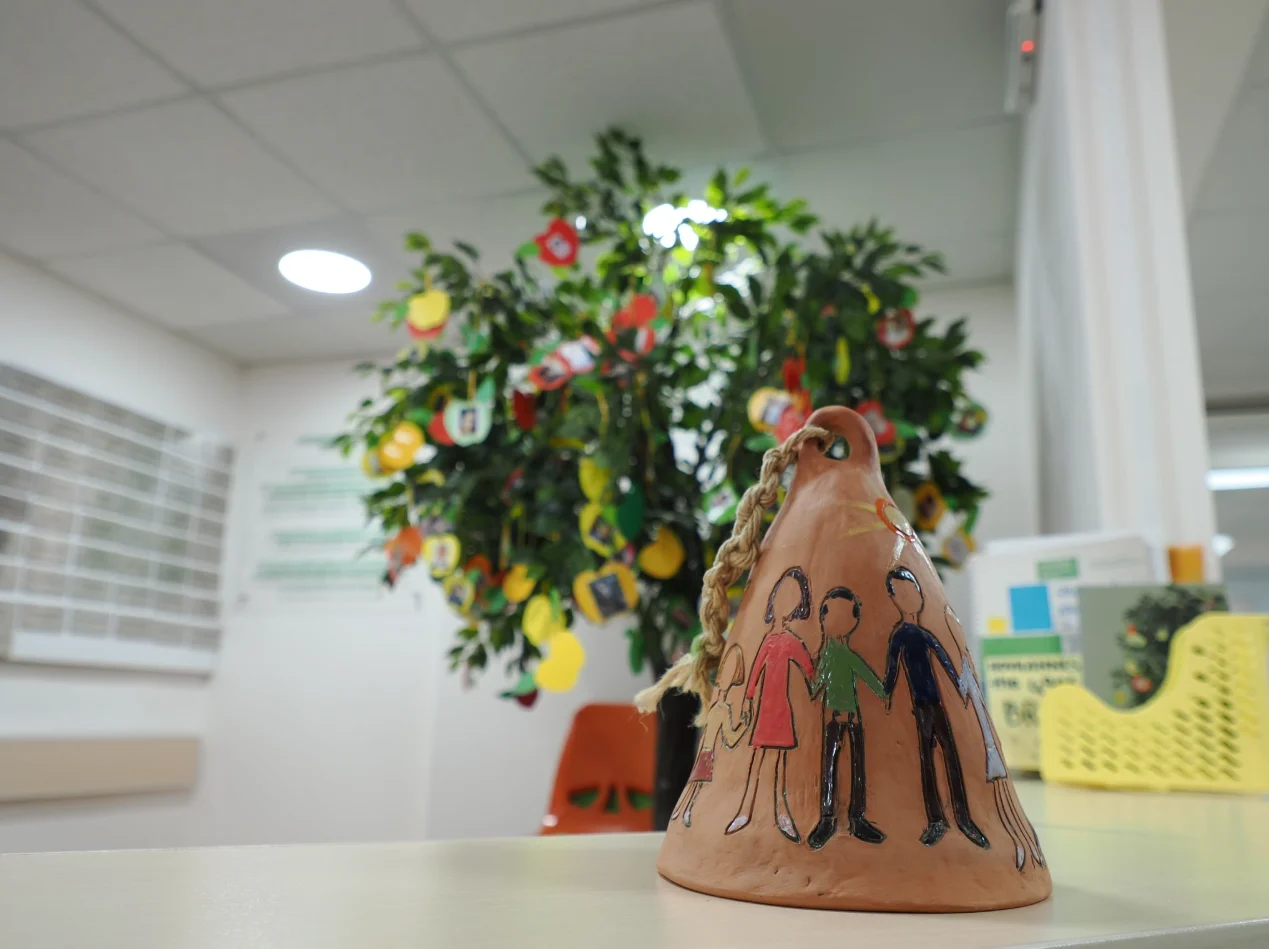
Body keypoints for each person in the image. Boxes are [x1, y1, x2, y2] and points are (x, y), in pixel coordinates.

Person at [881, 566, 989, 849]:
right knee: (927, 759)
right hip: (920, 707)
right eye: (902, 593)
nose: (911, 597)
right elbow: (892, 669)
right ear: (894, 599)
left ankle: (963, 818)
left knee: (950, 755)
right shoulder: (901, 635)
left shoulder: (924, 634)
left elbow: (944, 660)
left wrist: (959, 685)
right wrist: (885, 695)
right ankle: (936, 819)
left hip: (936, 703)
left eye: (913, 591)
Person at [944, 607, 1045, 870]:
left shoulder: (964, 667)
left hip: (986, 744)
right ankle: (1019, 845)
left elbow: (962, 690)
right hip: (984, 744)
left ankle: (1020, 846)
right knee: (999, 800)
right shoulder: (963, 667)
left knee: (999, 800)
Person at [727, 566, 816, 841]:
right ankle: (745, 811)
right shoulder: (768, 640)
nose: (783, 605)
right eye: (780, 597)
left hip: (781, 709)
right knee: (757, 759)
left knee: (778, 761)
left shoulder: (791, 642)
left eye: (791, 600)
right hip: (765, 710)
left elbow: (808, 667)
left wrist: (816, 688)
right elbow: (755, 671)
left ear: (796, 607)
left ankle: (781, 813)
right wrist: (748, 698)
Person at [807, 587, 888, 849]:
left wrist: (883, 691)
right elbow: (817, 684)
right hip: (834, 717)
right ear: (824, 618)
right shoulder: (829, 654)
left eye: (847, 615)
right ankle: (828, 818)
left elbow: (866, 675)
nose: (842, 622)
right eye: (834, 615)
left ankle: (857, 817)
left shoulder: (846, 655)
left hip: (853, 717)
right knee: (830, 766)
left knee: (857, 766)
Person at [672, 644, 749, 827]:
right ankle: (689, 815)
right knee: (700, 792)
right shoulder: (722, 709)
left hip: (705, 753)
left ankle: (685, 813)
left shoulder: (715, 707)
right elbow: (731, 738)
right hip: (710, 757)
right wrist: (744, 725)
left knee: (695, 790)